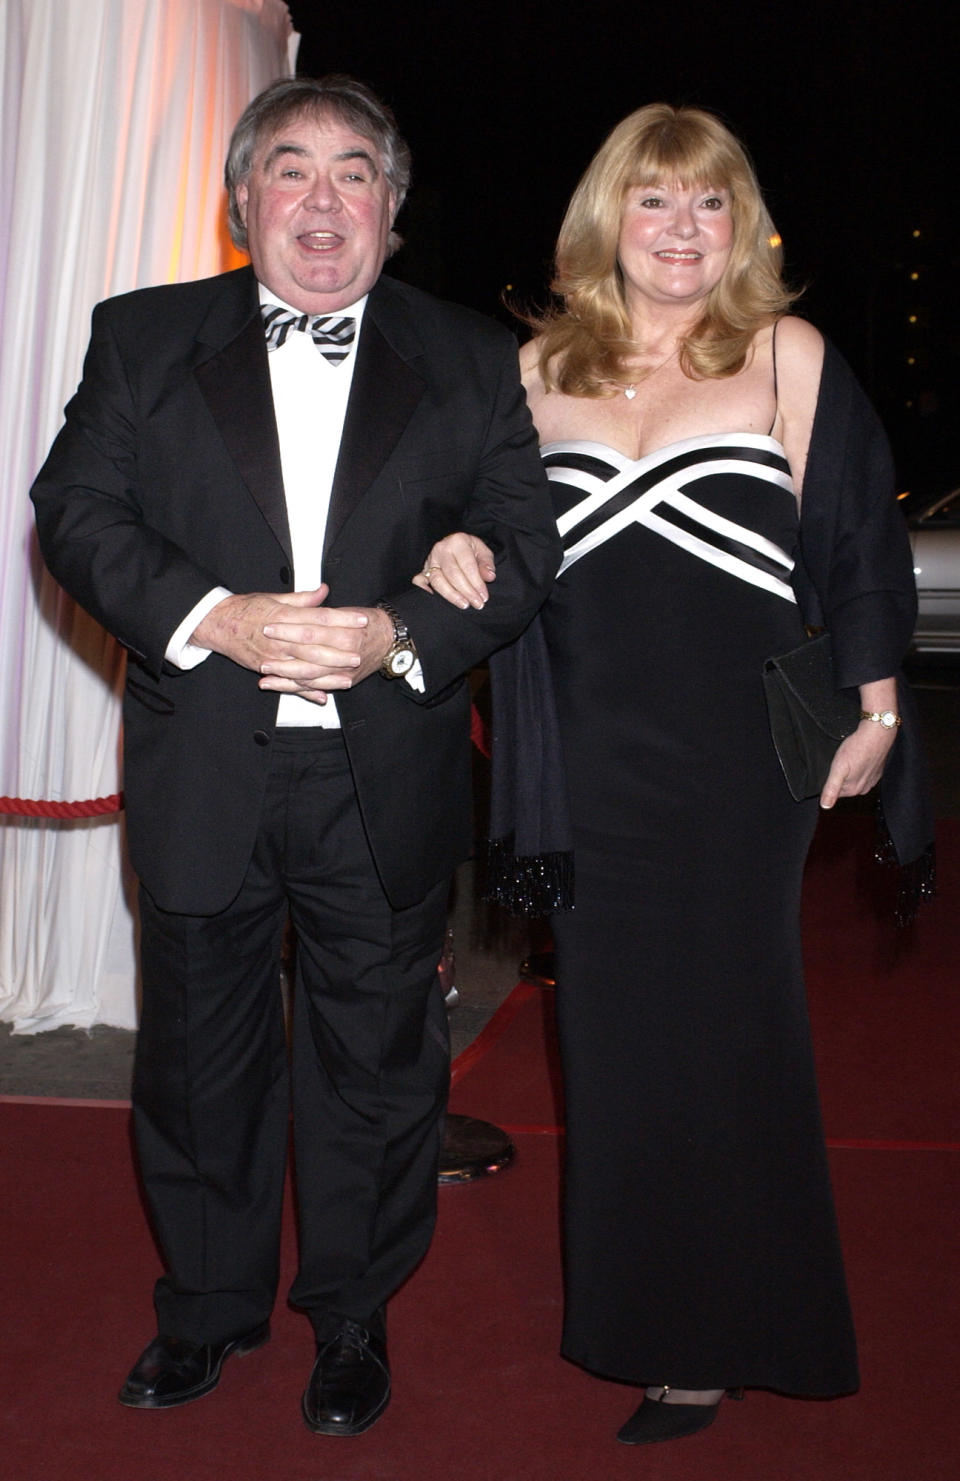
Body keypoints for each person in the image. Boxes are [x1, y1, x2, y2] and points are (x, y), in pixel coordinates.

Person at [30, 75, 559, 1437]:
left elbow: (524, 546)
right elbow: (75, 515)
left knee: (378, 1066)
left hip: (382, 774)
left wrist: (402, 625)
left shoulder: (471, 356)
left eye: (352, 175)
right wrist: (219, 617)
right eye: (290, 170)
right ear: (241, 202)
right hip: (208, 757)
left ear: (392, 209)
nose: (322, 201)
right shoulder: (144, 339)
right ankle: (204, 1311)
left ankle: (351, 1319)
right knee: (200, 1064)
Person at [415, 104, 931, 1446]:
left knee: (732, 1028)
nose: (683, 230)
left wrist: (877, 699)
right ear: (608, 221)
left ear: (742, 225)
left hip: (738, 763)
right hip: (582, 759)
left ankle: (732, 1325)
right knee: (615, 1042)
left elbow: (859, 536)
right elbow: (486, 528)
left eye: (710, 205)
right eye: (655, 203)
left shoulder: (783, 355)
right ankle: (654, 1319)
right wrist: (453, 550)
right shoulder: (536, 368)